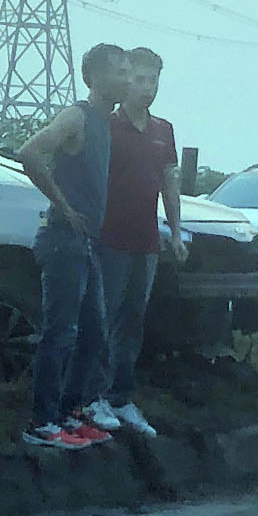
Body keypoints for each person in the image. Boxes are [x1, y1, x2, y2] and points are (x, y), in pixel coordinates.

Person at [14, 44, 127, 450]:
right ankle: (42, 423)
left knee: (94, 334)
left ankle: (69, 413)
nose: (126, 80)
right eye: (119, 72)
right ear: (93, 76)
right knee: (60, 333)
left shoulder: (106, 123)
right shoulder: (76, 116)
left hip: (86, 243)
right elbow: (29, 152)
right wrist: (64, 207)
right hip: (63, 240)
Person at [75, 47, 183, 439]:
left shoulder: (163, 130)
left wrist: (176, 231)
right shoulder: (105, 123)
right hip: (107, 238)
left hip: (146, 240)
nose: (146, 88)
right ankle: (91, 397)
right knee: (100, 318)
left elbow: (170, 182)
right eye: (139, 79)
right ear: (125, 80)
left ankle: (120, 396)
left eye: (153, 80)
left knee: (132, 321)